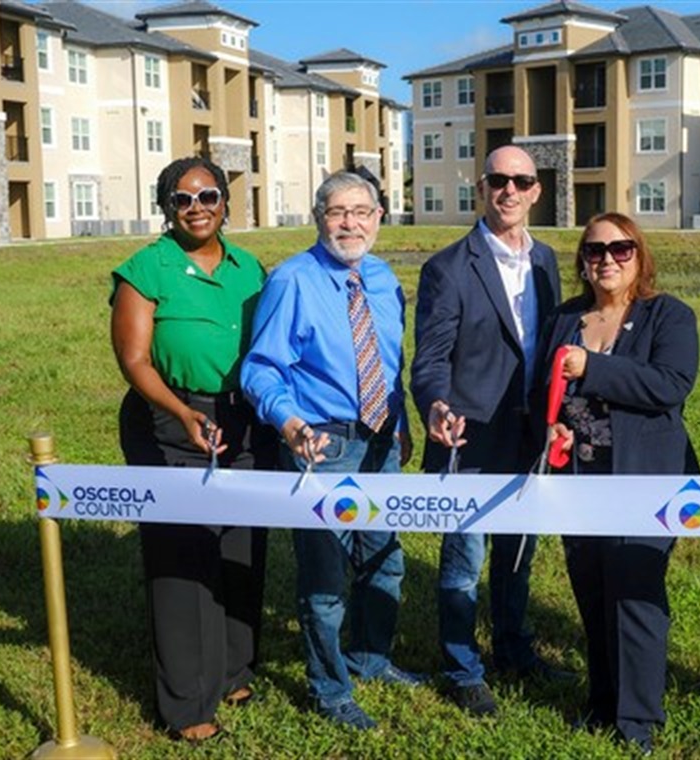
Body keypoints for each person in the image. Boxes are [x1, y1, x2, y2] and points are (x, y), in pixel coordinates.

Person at [241, 171, 420, 731]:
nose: (351, 223)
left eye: (362, 211)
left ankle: (371, 657)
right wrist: (288, 422)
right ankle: (330, 687)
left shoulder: (385, 279)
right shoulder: (292, 281)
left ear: (379, 216)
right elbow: (260, 367)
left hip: (381, 438)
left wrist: (402, 422)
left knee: (384, 559)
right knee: (324, 580)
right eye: (338, 212)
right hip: (323, 442)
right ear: (319, 217)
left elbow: (392, 364)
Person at [111, 156, 276, 742]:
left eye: (208, 195)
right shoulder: (145, 269)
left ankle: (235, 670)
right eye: (183, 199)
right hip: (169, 417)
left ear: (226, 202)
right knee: (183, 557)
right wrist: (182, 414)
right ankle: (187, 706)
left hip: (245, 419)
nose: (198, 207)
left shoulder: (249, 267)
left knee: (240, 549)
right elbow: (133, 359)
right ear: (167, 207)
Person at [535, 212, 700, 753]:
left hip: (644, 480)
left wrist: (592, 369)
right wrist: (552, 421)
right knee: (591, 587)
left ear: (639, 256)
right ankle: (601, 700)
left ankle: (638, 720)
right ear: (583, 261)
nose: (607, 259)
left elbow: (670, 385)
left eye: (620, 249)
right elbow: (544, 386)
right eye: (595, 250)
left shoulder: (666, 316)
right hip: (577, 477)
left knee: (635, 592)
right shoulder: (565, 319)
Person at [411, 145, 564, 716]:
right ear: (482, 186)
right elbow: (429, 360)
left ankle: (513, 648)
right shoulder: (449, 267)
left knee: (518, 550)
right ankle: (460, 665)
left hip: (531, 433)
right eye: (498, 180)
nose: (509, 191)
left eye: (521, 181)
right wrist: (435, 406)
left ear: (535, 190)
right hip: (471, 437)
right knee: (464, 558)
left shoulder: (547, 260)